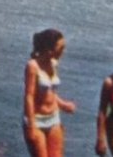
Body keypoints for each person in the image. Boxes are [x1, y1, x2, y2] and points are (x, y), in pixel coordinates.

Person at [23, 28, 76, 157]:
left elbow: (50, 92)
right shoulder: (33, 66)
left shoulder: (53, 64)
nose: (63, 51)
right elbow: (29, 97)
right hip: (36, 119)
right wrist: (31, 126)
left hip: (53, 118)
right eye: (61, 47)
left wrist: (63, 105)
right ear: (50, 48)